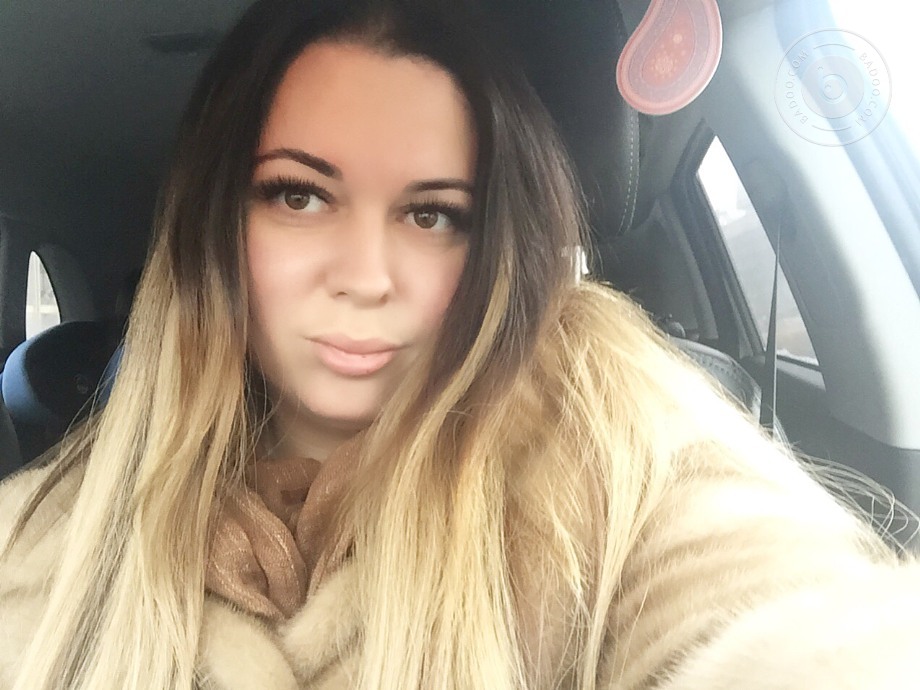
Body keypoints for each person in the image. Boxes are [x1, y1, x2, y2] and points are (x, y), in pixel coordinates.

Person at [1, 0, 918, 688]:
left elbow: (773, 612)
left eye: (432, 213)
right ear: (216, 230)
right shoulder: (55, 530)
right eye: (300, 195)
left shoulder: (599, 436)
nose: (368, 276)